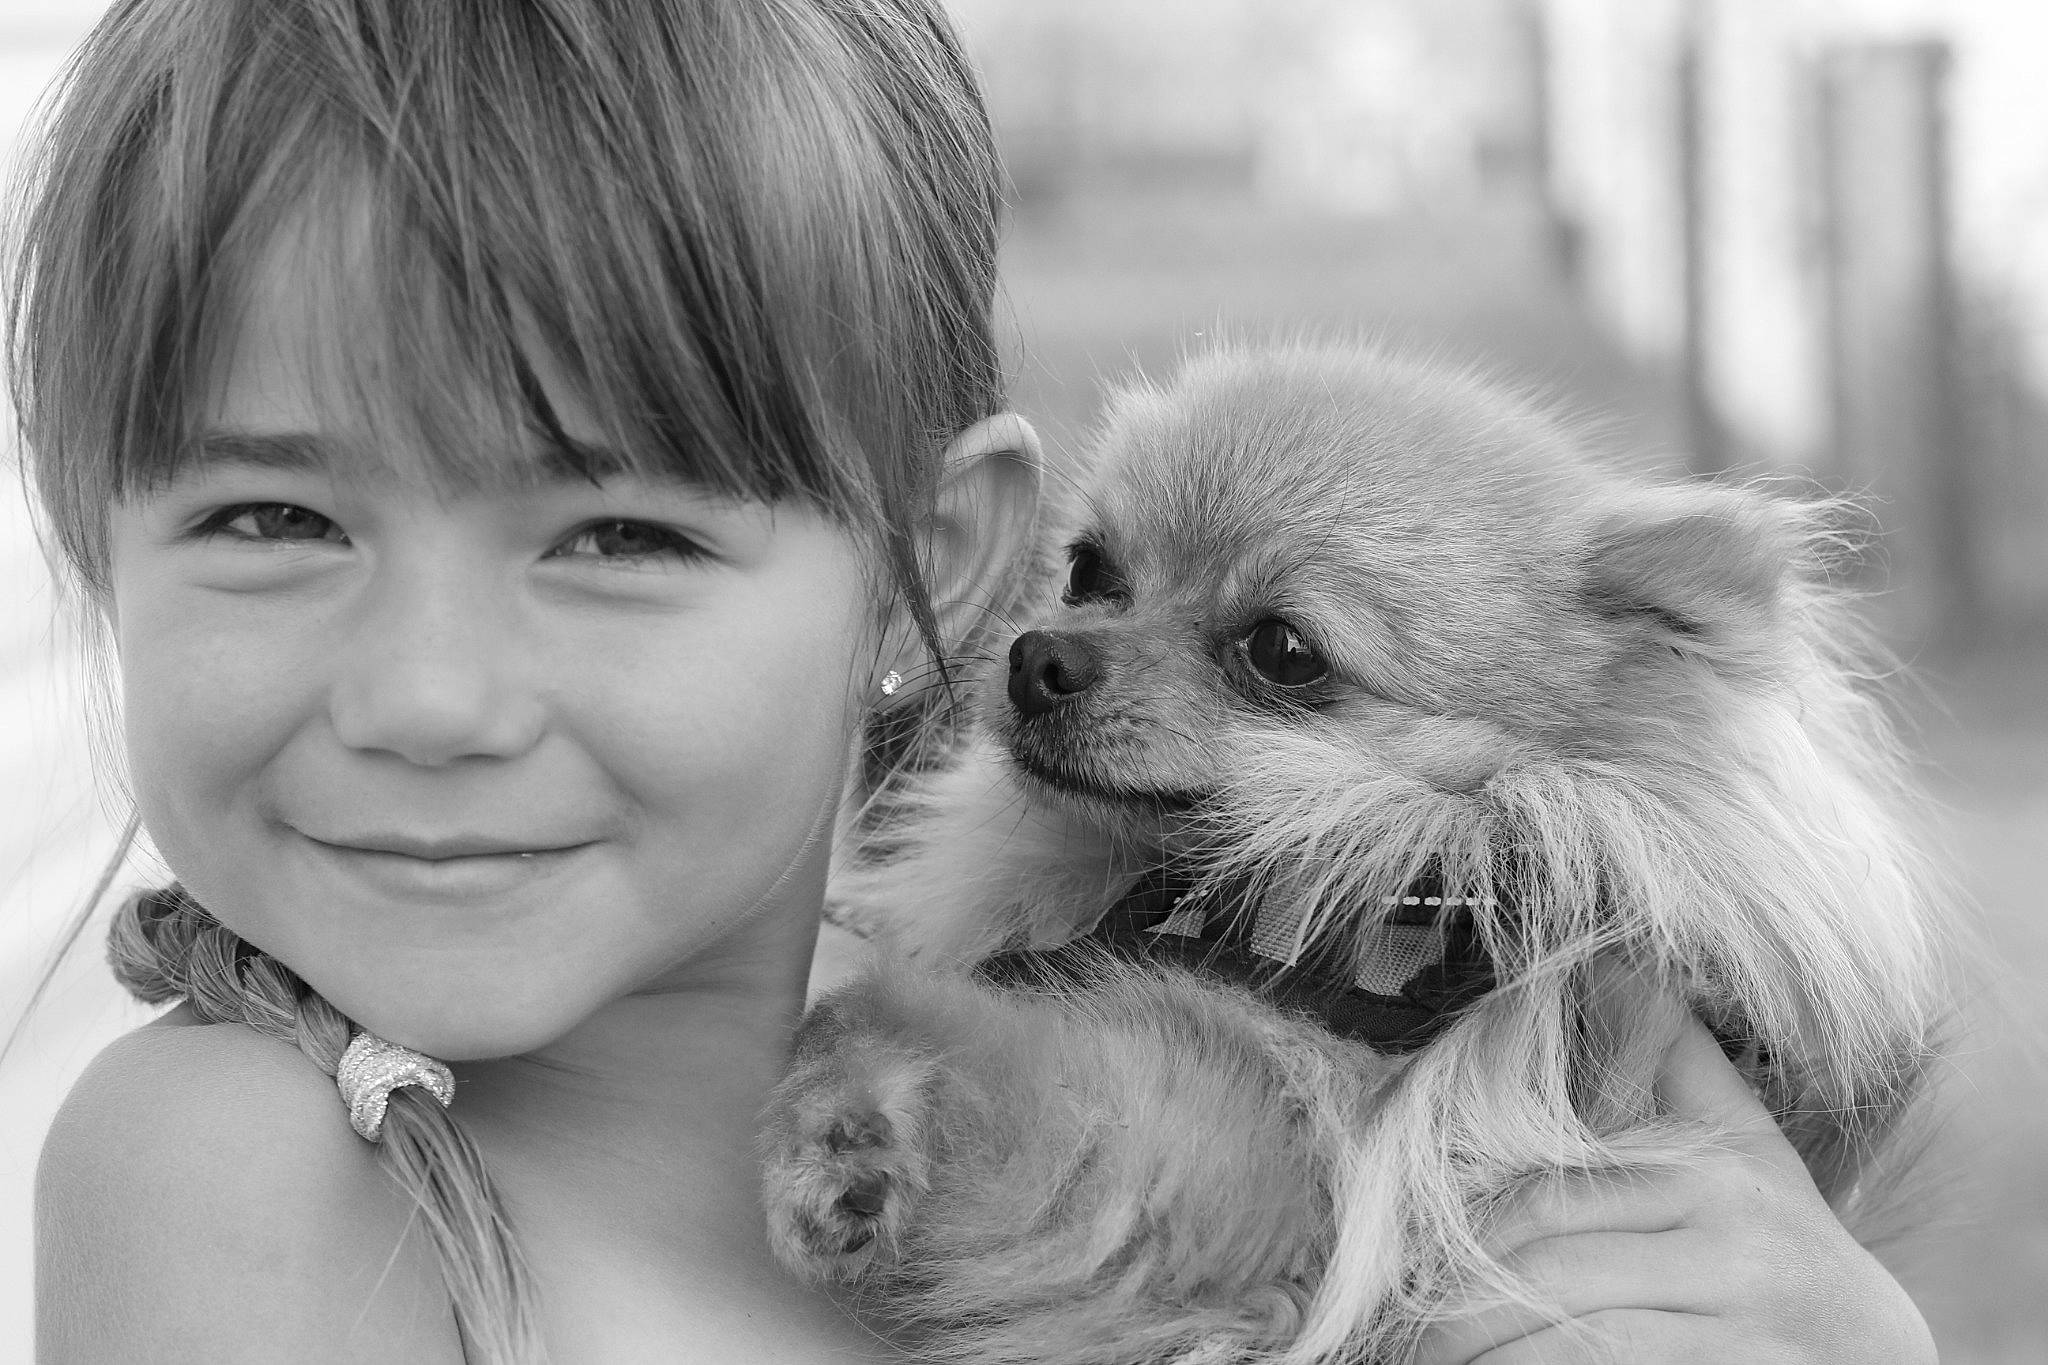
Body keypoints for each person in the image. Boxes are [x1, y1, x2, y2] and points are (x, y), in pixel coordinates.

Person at [8, 1, 1935, 1361]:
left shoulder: (1354, 1074)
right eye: (274, 515)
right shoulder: (238, 1167)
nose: (429, 696)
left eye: (616, 536)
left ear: (930, 563)